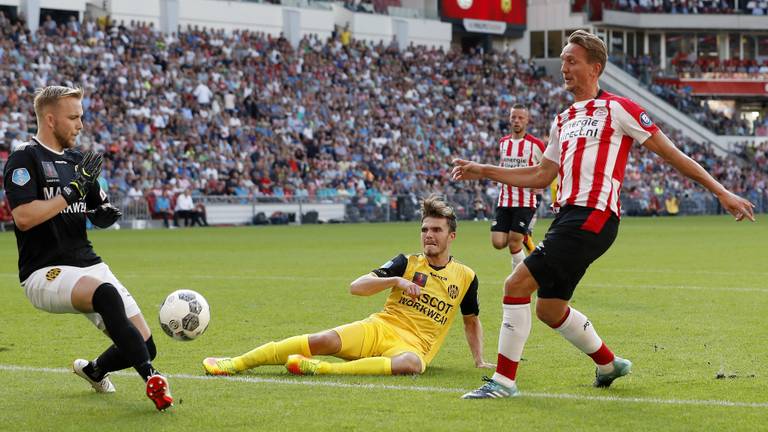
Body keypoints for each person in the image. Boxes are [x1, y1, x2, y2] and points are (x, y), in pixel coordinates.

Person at [451, 30, 755, 399]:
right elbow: (540, 176)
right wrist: (484, 169)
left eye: (571, 60)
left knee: (515, 285)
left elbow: (671, 153)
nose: (563, 67)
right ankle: (609, 364)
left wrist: (721, 191)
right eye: (562, 59)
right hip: (568, 218)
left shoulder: (618, 108)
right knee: (549, 308)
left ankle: (502, 382)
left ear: (595, 68)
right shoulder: (561, 120)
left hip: (594, 216)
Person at [2, 86, 173, 411]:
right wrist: (70, 193)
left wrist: (104, 213)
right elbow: (23, 218)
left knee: (144, 345)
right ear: (50, 120)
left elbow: (95, 205)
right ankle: (153, 379)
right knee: (107, 295)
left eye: (81, 116)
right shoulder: (25, 157)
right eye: (74, 117)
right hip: (44, 271)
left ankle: (95, 370)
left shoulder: (78, 161)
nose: (81, 124)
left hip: (87, 262)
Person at [203, 195, 493, 376]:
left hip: (414, 347)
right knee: (322, 340)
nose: (429, 235)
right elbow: (357, 286)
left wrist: (479, 360)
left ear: (451, 236)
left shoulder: (466, 276)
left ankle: (324, 369)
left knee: (411, 365)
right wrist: (394, 280)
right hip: (381, 328)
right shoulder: (406, 262)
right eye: (425, 229)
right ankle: (236, 363)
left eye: (437, 230)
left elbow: (471, 321)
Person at [491, 104, 546, 272]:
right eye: (513, 117)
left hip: (526, 200)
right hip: (504, 199)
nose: (516, 121)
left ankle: (525, 277)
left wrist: (541, 184)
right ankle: (533, 254)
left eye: (520, 118)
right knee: (498, 242)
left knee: (515, 240)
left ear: (527, 121)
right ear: (509, 119)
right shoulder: (503, 143)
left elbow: (548, 168)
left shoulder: (535, 144)